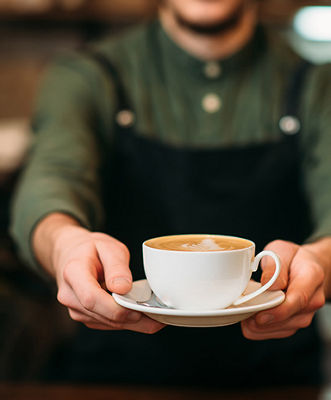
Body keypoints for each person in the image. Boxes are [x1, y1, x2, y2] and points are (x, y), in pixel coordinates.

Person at [10, 0, 331, 388]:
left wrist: (320, 263)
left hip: (279, 379)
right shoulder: (86, 75)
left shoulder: (318, 84)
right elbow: (51, 178)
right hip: (116, 377)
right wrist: (64, 244)